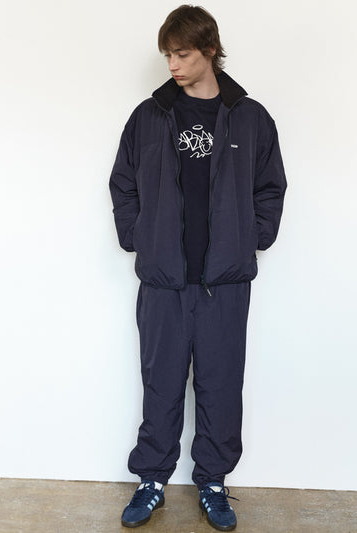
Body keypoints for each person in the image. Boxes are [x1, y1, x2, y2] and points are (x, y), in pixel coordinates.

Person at [109, 4, 287, 530]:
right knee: (160, 384)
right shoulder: (148, 117)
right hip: (163, 281)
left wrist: (252, 238)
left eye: (182, 54)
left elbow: (270, 187)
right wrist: (138, 237)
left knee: (220, 384)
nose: (172, 65)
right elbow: (123, 183)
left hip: (224, 284)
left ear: (210, 49)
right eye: (167, 55)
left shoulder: (250, 118)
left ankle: (212, 480)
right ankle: (152, 480)